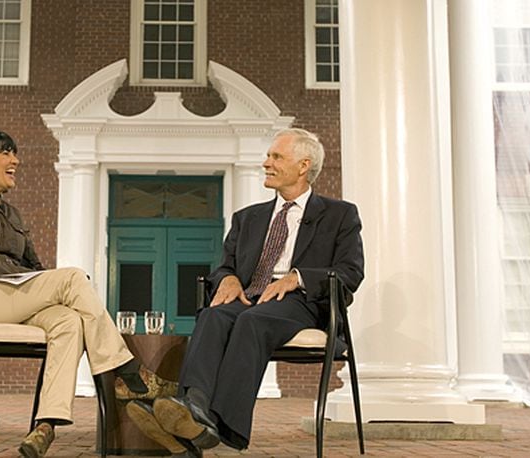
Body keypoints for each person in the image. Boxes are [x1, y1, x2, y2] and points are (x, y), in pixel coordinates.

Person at [0, 130, 176, 458]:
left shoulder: (12, 214)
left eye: (15, 152)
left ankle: (45, 425)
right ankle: (127, 372)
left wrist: (39, 283)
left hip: (11, 296)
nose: (16, 160)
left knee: (68, 320)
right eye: (6, 152)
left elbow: (35, 265)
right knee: (72, 278)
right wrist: (30, 280)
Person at [129, 128, 364, 453]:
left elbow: (351, 271)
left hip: (302, 303)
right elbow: (225, 266)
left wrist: (296, 277)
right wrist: (227, 278)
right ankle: (193, 406)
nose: (266, 162)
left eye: (276, 157)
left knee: (252, 321)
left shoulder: (339, 215)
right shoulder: (248, 218)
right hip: (251, 297)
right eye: (268, 156)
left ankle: (222, 424)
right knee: (213, 316)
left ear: (303, 165)